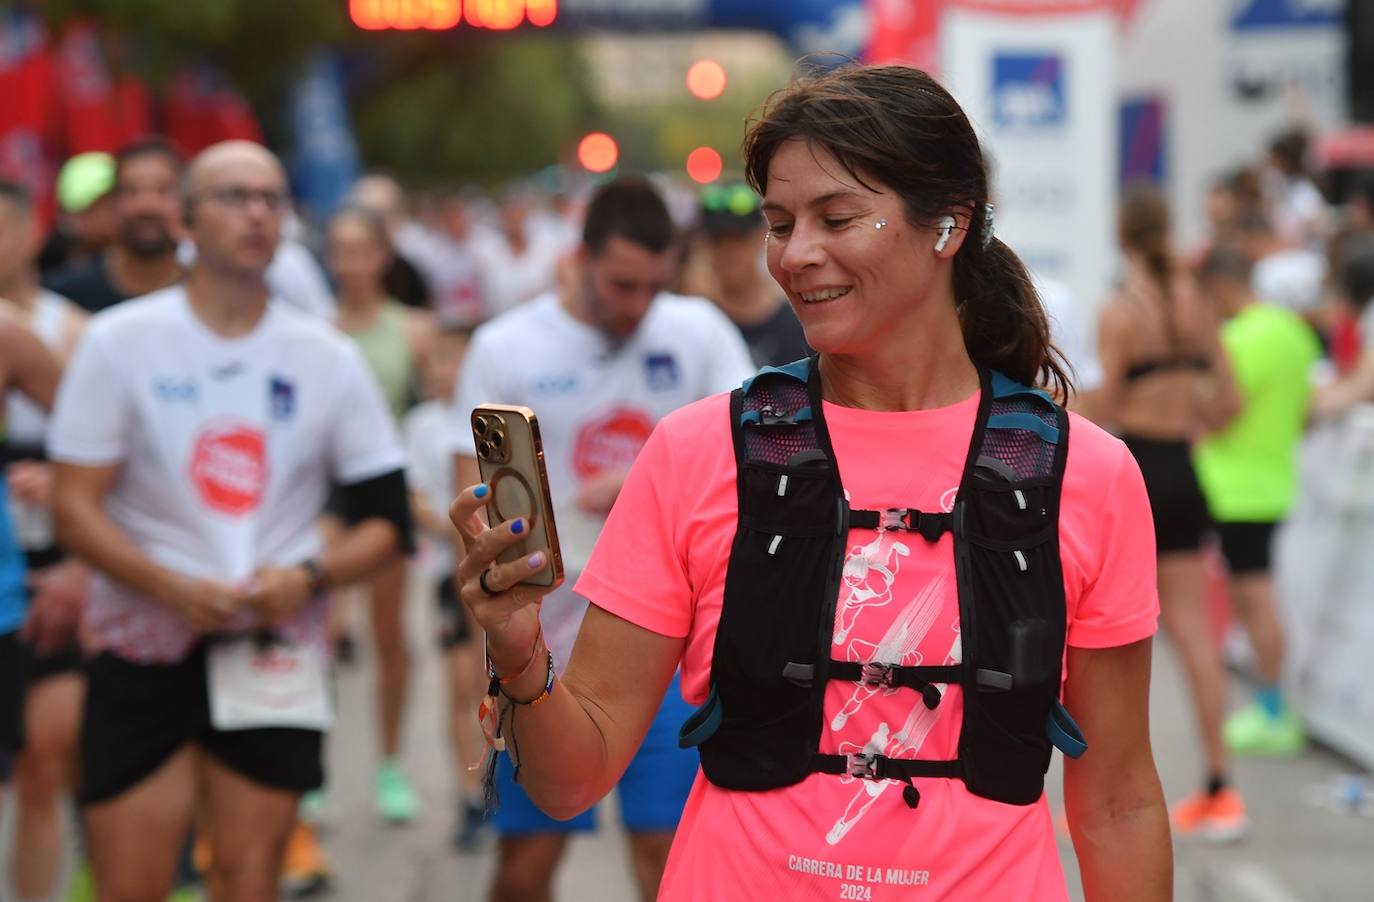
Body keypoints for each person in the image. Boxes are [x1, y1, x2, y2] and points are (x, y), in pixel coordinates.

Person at [453, 65, 1171, 901]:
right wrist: (518, 651)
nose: (795, 257)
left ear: (948, 226)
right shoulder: (698, 452)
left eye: (835, 218)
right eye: (779, 223)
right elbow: (571, 780)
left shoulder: (1085, 473)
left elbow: (1119, 803)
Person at [48, 140, 412, 902]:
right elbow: (73, 508)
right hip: (142, 646)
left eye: (272, 199)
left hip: (271, 648)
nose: (256, 214)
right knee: (131, 887)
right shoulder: (120, 342)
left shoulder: (325, 356)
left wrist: (307, 578)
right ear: (186, 219)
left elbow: (386, 522)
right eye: (233, 197)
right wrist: (168, 586)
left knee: (249, 885)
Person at [451, 177, 754, 902]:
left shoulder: (700, 333)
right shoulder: (506, 345)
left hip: (668, 644)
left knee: (666, 856)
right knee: (527, 865)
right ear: (580, 256)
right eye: (622, 284)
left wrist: (644, 478)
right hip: (546, 642)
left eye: (655, 286)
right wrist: (489, 647)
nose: (637, 305)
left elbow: (757, 461)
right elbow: (469, 506)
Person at [1095, 185, 1241, 841]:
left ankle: (1097, 799)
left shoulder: (1122, 309)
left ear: (1123, 236)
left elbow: (1105, 406)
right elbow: (1228, 404)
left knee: (1101, 642)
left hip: (1133, 475)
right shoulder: (1197, 303)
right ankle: (1219, 785)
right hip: (1183, 470)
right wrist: (1189, 411)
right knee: (1194, 635)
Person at [324, 204, 434, 823]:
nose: (350, 265)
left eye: (360, 250)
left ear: (382, 256)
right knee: (319, 633)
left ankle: (390, 763)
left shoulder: (414, 330)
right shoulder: (313, 330)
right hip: (325, 496)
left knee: (389, 636)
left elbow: (436, 419)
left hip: (388, 494)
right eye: (338, 252)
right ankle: (311, 768)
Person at [1193, 243, 1320, 757]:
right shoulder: (1294, 332)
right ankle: (1272, 705)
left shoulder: (1237, 339)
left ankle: (1273, 709)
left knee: (1255, 598)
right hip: (1273, 478)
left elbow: (1222, 410)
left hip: (1235, 484)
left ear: (1220, 286)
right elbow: (1307, 409)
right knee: (1255, 597)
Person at [0, 178, 89, 902]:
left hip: (27, 584)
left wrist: (64, 486)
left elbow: (103, 441)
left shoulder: (19, 335)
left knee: (40, 763)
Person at [402, 324, 487, 849]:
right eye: (435, 361)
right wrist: (457, 530)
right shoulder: (420, 425)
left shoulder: (492, 422)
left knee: (498, 686)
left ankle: (504, 785)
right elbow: (411, 496)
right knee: (460, 685)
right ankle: (468, 794)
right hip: (445, 575)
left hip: (496, 574)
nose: (445, 371)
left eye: (454, 360)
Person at [46, 138, 186, 314]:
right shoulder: (64, 298)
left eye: (163, 190)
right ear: (112, 202)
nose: (146, 205)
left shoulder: (216, 290)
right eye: (131, 190)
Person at [697, 181, 810, 367]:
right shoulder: (695, 321)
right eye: (717, 239)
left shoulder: (797, 322)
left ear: (760, 236)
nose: (728, 250)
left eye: (738, 238)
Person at [37, 152, 119, 277]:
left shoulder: (145, 254)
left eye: (112, 206)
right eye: (92, 210)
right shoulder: (43, 263)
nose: (105, 218)